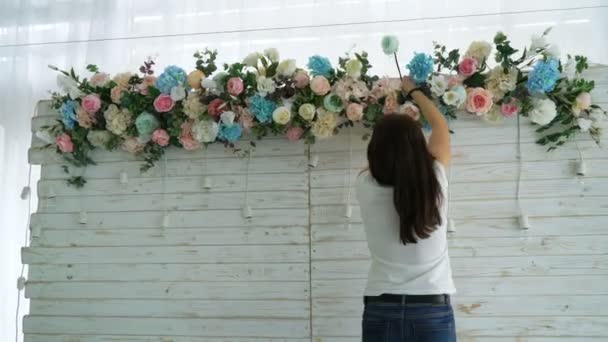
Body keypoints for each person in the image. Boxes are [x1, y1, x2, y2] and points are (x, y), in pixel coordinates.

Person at [355, 76, 456, 341]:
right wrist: (413, 91)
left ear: (375, 150)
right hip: (431, 310)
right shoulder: (434, 178)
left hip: (380, 308)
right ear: (417, 146)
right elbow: (440, 126)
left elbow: (380, 162)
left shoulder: (365, 184)